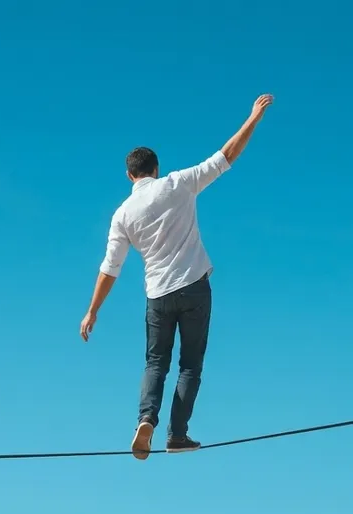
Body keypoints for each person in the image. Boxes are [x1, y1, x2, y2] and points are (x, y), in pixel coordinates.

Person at [80, 94, 274, 460]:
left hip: (158, 296)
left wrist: (93, 311)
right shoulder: (177, 184)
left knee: (156, 364)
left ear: (129, 175)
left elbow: (111, 267)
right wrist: (253, 118)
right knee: (190, 364)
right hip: (194, 289)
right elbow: (226, 156)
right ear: (156, 167)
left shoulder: (122, 215)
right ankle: (177, 434)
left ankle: (145, 420)